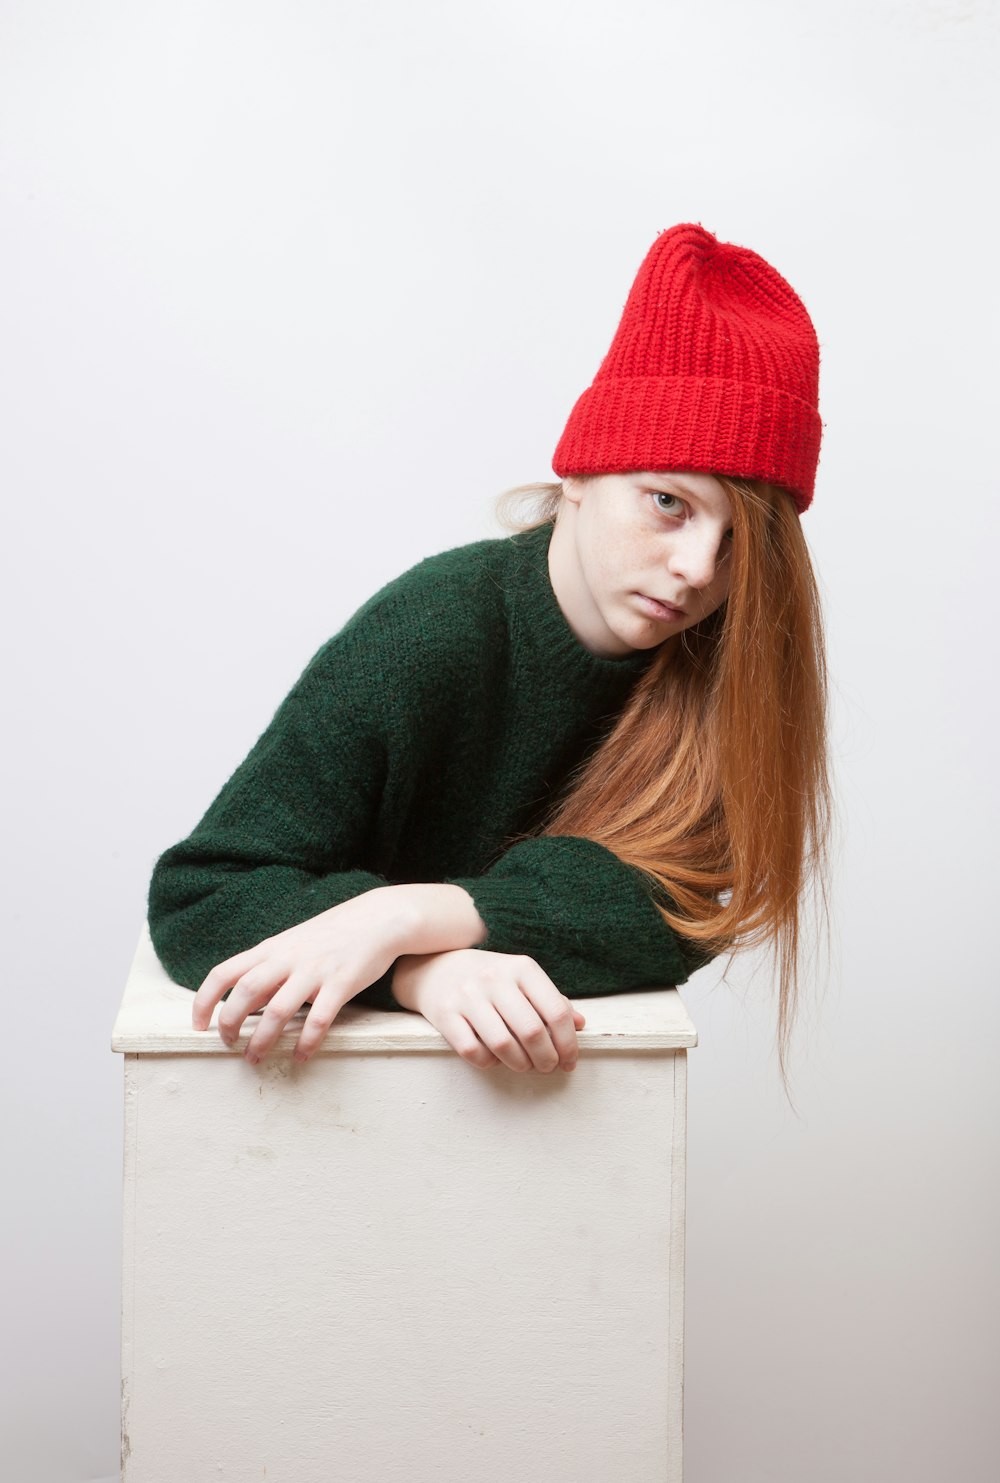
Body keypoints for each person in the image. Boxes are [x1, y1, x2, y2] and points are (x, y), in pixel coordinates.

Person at [147, 221, 831, 1102]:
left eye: (740, 543)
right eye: (669, 503)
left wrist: (415, 915)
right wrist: (419, 975)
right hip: (321, 1102)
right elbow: (205, 894)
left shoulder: (718, 664)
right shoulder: (431, 632)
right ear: (582, 469)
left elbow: (688, 900)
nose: (700, 570)